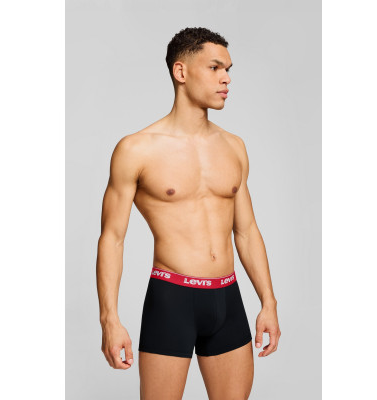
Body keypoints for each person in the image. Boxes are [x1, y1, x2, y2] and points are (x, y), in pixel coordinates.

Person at [96, 27, 281, 400]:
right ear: (181, 72)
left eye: (228, 69)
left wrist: (268, 302)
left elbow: (246, 230)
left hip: (228, 299)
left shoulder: (234, 147)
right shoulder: (136, 149)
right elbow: (112, 238)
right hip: (172, 299)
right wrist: (110, 319)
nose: (226, 78)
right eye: (214, 67)